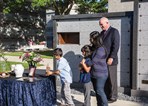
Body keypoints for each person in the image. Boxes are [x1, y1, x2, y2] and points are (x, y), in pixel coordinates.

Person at [99, 17, 120, 102]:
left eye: (101, 24)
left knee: (112, 79)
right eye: (100, 24)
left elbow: (116, 46)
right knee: (106, 78)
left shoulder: (114, 31)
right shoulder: (101, 33)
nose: (100, 26)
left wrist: (112, 57)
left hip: (111, 60)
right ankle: (107, 95)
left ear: (107, 23)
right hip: (103, 60)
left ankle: (114, 96)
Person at [90, 31, 108, 106]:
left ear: (96, 39)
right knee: (97, 91)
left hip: (101, 75)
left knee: (100, 90)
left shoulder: (101, 49)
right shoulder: (95, 48)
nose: (90, 40)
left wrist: (83, 63)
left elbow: (93, 61)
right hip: (94, 74)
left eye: (91, 38)